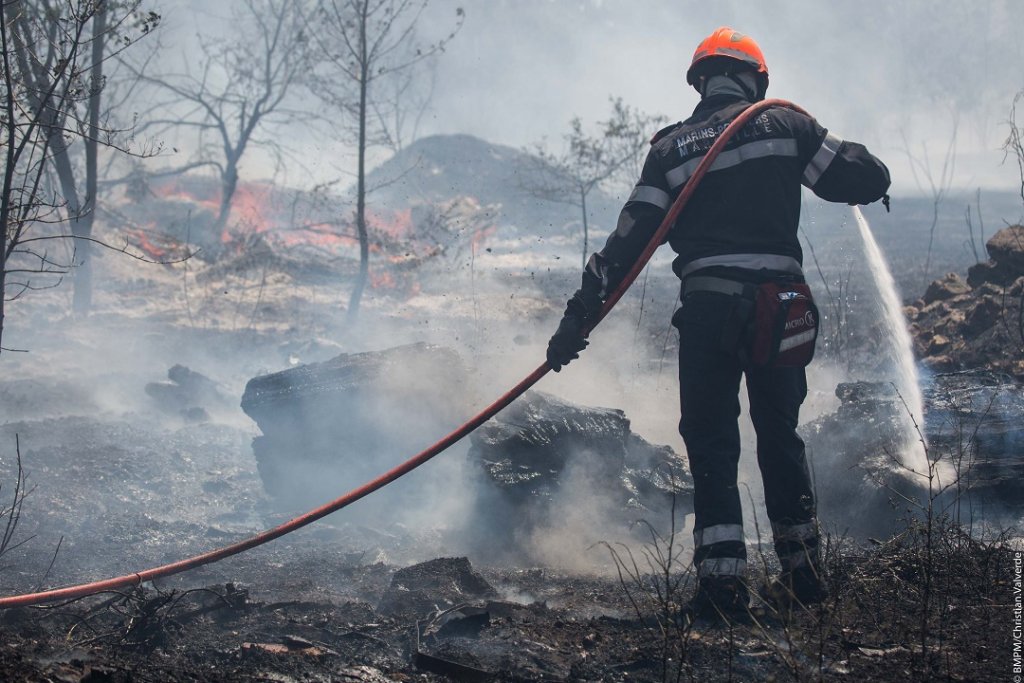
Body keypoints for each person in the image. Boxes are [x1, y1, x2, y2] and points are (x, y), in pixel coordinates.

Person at [546, 26, 890, 621]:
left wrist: (576, 321)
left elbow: (628, 243)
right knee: (779, 433)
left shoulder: (670, 150)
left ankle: (721, 589)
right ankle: (803, 576)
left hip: (706, 312)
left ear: (700, 82)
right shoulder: (786, 125)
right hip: (778, 309)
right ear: (756, 78)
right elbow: (862, 178)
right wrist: (838, 149)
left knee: (711, 442)